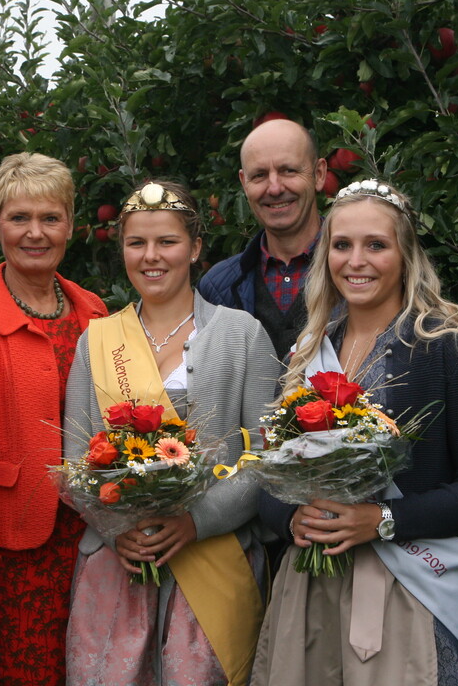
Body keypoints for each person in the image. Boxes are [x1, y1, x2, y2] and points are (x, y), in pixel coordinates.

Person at [251, 180, 458, 686]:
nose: (356, 261)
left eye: (376, 245)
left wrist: (381, 518)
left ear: (405, 254)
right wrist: (290, 519)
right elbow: (270, 475)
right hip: (314, 588)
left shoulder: (451, 349)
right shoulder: (306, 352)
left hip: (415, 589)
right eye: (342, 245)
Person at [62, 181, 280, 686]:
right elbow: (74, 463)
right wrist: (119, 530)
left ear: (196, 248)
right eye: (137, 243)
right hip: (119, 561)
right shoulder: (96, 340)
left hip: (213, 558)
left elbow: (267, 456)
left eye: (167, 242)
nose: (151, 256)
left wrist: (195, 521)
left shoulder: (241, 335)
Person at [0, 152, 108, 686]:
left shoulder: (96, 313)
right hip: (16, 555)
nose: (35, 233)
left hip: (98, 540)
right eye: (19, 218)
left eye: (50, 218)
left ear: (71, 227)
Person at [198, 118, 327, 358]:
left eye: (288, 170)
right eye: (259, 175)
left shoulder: (359, 271)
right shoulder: (217, 288)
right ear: (244, 183)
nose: (275, 188)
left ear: (319, 174)